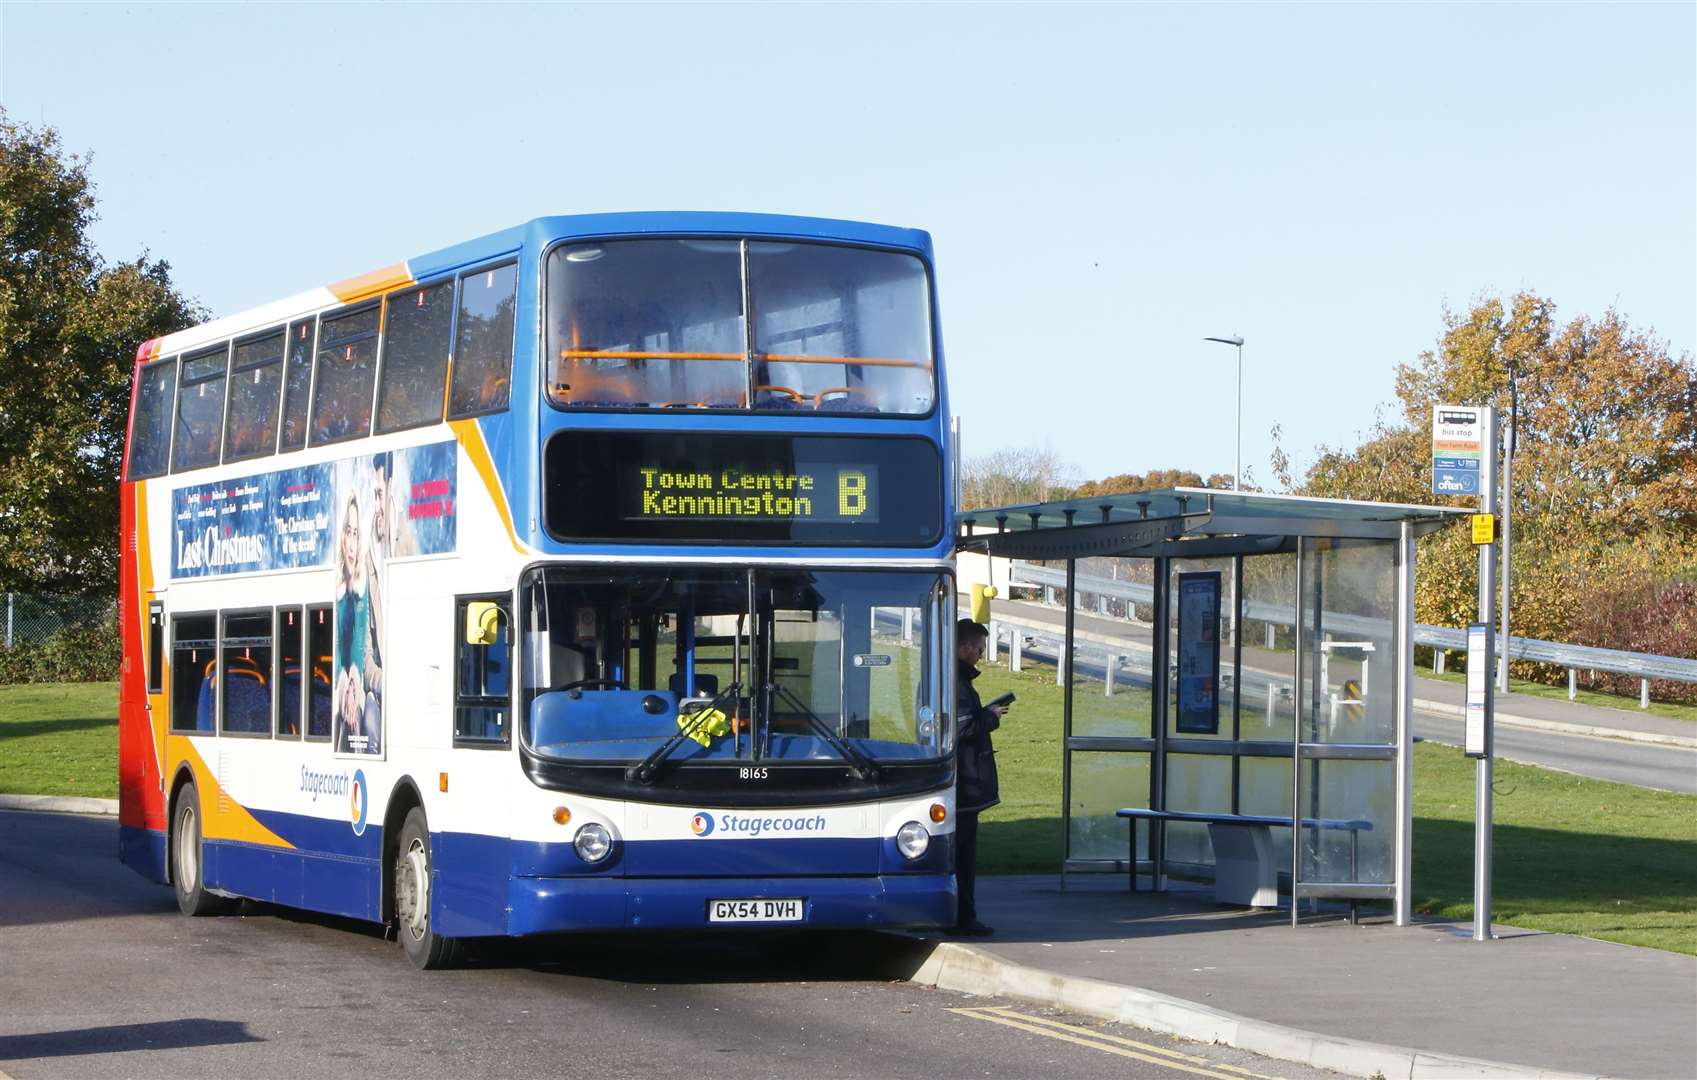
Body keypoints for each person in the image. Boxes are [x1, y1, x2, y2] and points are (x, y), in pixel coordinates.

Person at [953, 618, 1008, 936]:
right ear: (964, 647)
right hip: (966, 784)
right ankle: (964, 917)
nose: (981, 655)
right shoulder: (958, 683)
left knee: (963, 853)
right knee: (963, 855)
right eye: (979, 648)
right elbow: (962, 728)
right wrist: (989, 717)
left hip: (966, 782)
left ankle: (962, 915)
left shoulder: (956, 679)